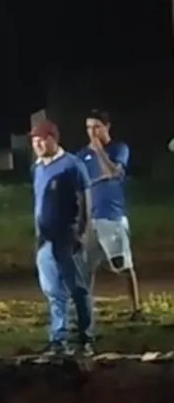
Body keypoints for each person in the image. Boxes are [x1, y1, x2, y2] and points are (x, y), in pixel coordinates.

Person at [30, 119, 94, 356]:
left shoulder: (72, 165)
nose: (37, 145)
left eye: (41, 140)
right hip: (45, 239)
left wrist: (82, 232)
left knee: (77, 288)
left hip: (67, 236)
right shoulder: (37, 167)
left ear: (52, 139)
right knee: (52, 291)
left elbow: (85, 200)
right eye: (34, 141)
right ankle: (58, 338)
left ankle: (85, 338)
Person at [78, 110, 141, 319]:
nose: (92, 132)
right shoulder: (82, 155)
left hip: (112, 217)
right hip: (90, 219)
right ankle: (85, 310)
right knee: (85, 268)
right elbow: (81, 184)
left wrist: (99, 152)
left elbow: (115, 173)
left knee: (122, 266)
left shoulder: (118, 148)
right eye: (88, 127)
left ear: (107, 127)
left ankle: (136, 308)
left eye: (96, 126)